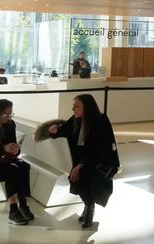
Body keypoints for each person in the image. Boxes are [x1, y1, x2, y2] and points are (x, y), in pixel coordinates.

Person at [48, 94, 120, 228]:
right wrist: (54, 131)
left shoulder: (99, 120)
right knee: (75, 177)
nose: (73, 109)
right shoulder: (76, 119)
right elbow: (65, 130)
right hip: (84, 160)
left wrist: (80, 165)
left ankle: (89, 207)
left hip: (99, 162)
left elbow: (99, 149)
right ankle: (88, 205)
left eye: (76, 106)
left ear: (87, 107)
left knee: (81, 176)